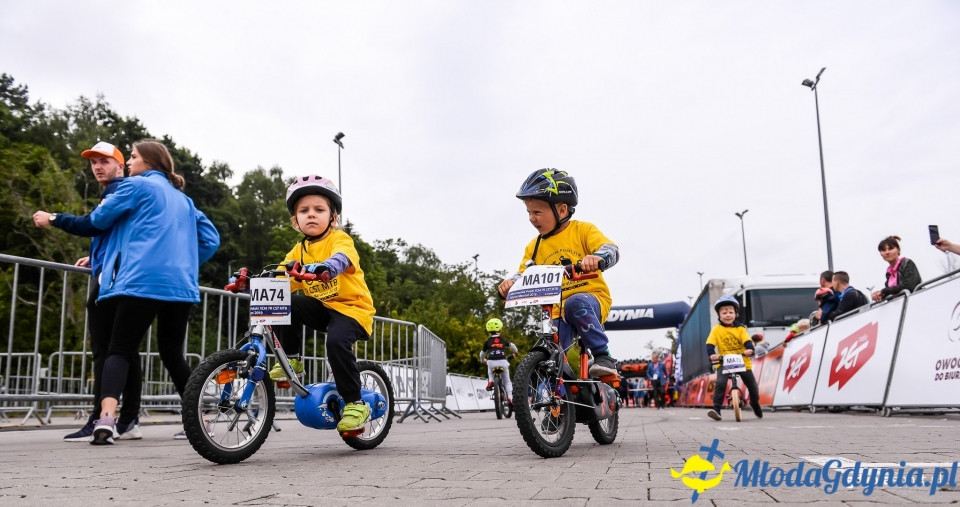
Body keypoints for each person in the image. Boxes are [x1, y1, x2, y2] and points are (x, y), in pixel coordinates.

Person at [85, 139, 220, 445]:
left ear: (148, 161)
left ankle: (106, 418)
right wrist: (183, 260)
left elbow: (98, 223)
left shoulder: (135, 187)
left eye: (133, 157)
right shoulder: (185, 201)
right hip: (179, 285)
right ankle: (200, 421)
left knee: (119, 348)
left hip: (142, 280)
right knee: (172, 354)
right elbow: (211, 239)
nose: (130, 162)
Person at [32, 142, 144, 441]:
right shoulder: (119, 191)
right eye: (94, 162)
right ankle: (128, 418)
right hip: (112, 272)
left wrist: (54, 217)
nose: (97, 166)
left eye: (104, 161)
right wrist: (94, 257)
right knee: (124, 351)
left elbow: (93, 224)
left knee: (108, 351)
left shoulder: (121, 190)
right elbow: (112, 233)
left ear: (120, 165)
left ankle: (101, 418)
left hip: (113, 278)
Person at [269, 175, 376, 434]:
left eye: (319, 209)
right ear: (295, 220)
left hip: (352, 309)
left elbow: (344, 257)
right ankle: (292, 359)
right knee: (285, 300)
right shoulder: (298, 250)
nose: (311, 215)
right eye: (304, 211)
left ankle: (355, 403)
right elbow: (281, 276)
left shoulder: (339, 239)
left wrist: (328, 266)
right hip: (323, 309)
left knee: (336, 342)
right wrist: (251, 281)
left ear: (333, 217)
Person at [497, 168, 620, 377]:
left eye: (537, 212)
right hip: (556, 310)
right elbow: (524, 274)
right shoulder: (534, 247)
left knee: (575, 304)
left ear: (562, 211)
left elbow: (611, 250)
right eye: (529, 212)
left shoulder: (583, 231)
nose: (531, 218)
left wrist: (597, 258)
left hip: (591, 300)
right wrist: (510, 284)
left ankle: (603, 356)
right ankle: (556, 394)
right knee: (549, 346)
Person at [705, 296, 762, 421]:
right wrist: (711, 354)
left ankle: (755, 403)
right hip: (724, 362)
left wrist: (749, 349)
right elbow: (710, 344)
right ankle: (716, 409)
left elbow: (747, 341)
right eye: (724, 313)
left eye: (731, 312)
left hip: (742, 361)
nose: (728, 315)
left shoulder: (741, 329)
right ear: (719, 316)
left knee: (753, 386)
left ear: (736, 314)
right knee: (720, 383)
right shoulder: (716, 329)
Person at [872, 235, 922, 302]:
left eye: (890, 248)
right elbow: (891, 292)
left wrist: (884, 291)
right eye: (883, 250)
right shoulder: (889, 273)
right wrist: (881, 295)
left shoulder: (907, 263)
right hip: (899, 307)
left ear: (898, 250)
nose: (887, 252)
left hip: (914, 302)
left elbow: (909, 286)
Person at [479, 318, 517, 404]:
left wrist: (482, 360)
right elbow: (512, 345)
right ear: (500, 330)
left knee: (489, 365)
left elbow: (482, 354)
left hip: (491, 362)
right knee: (507, 381)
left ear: (489, 331)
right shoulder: (502, 340)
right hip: (503, 362)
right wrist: (515, 352)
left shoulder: (488, 341)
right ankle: (510, 398)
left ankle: (490, 381)